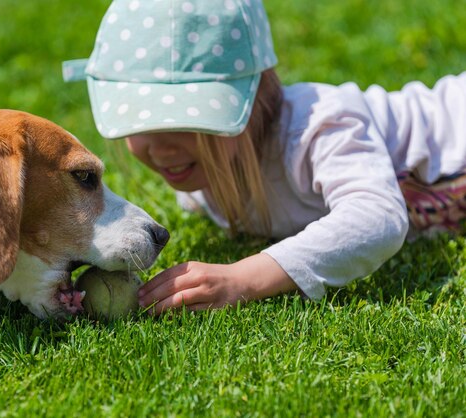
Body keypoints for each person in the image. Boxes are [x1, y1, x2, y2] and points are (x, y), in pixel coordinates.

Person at [63, 0, 466, 314]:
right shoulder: (202, 185)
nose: (163, 148)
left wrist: (245, 278)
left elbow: (378, 216)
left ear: (252, 100)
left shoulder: (317, 124)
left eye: (189, 122)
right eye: (141, 123)